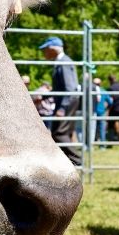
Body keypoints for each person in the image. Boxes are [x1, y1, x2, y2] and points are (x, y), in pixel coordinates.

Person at [39, 36, 81, 164]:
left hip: (66, 102)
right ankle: (68, 162)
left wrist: (62, 108)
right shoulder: (61, 62)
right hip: (66, 101)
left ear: (52, 49)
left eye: (45, 50)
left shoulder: (64, 62)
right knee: (63, 134)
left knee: (59, 134)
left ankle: (78, 161)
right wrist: (46, 96)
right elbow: (62, 87)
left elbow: (70, 88)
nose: (44, 53)